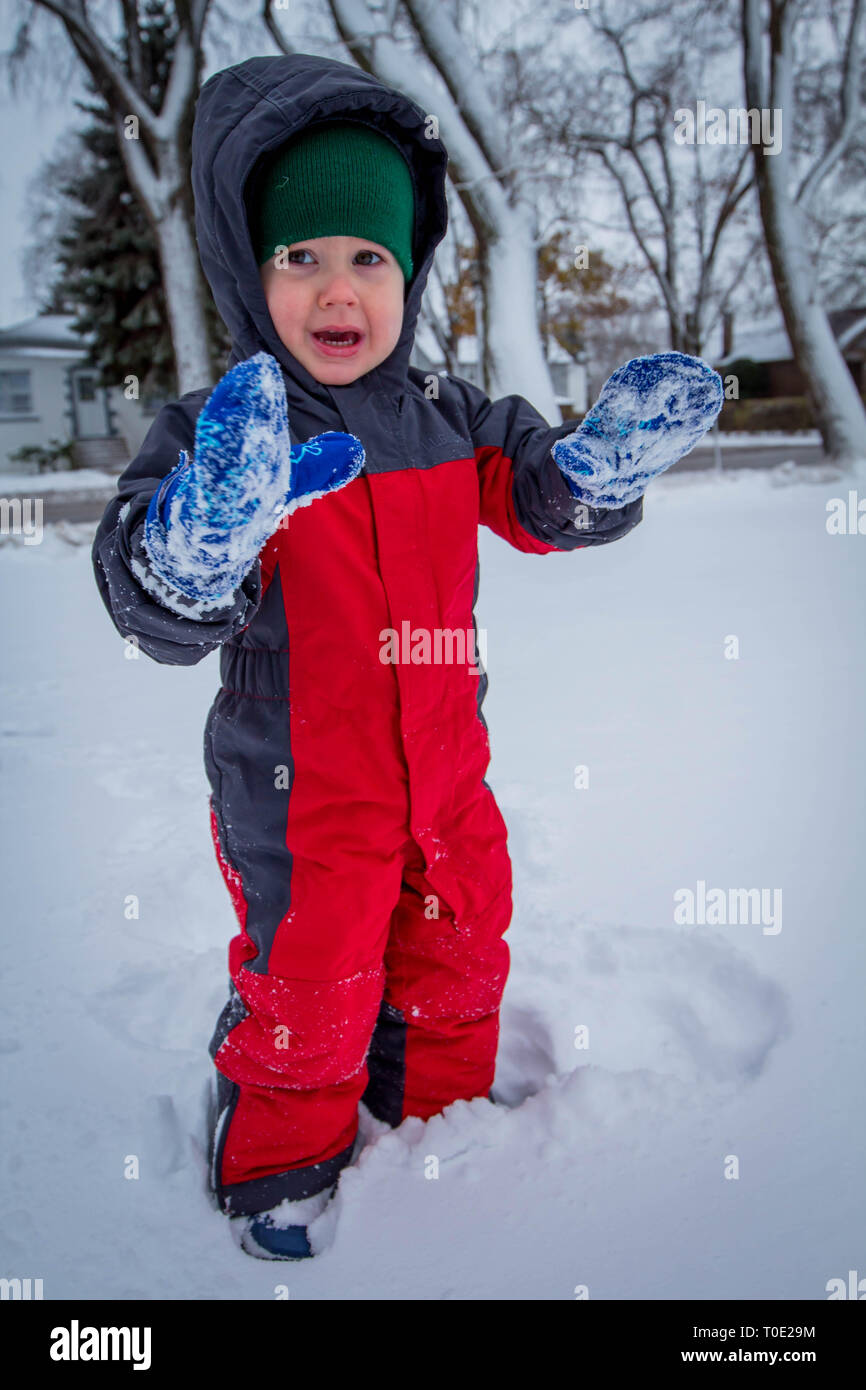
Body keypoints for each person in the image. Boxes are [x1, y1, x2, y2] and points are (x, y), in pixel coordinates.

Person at [92, 52, 722, 1261]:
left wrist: (592, 474)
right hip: (298, 789)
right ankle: (278, 1160)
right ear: (248, 266)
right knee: (311, 980)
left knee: (460, 939)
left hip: (443, 770)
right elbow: (145, 591)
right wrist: (199, 541)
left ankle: (438, 1120)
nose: (339, 287)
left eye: (368, 256)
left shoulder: (448, 412)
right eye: (301, 255)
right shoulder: (229, 431)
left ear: (408, 272)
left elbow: (532, 493)